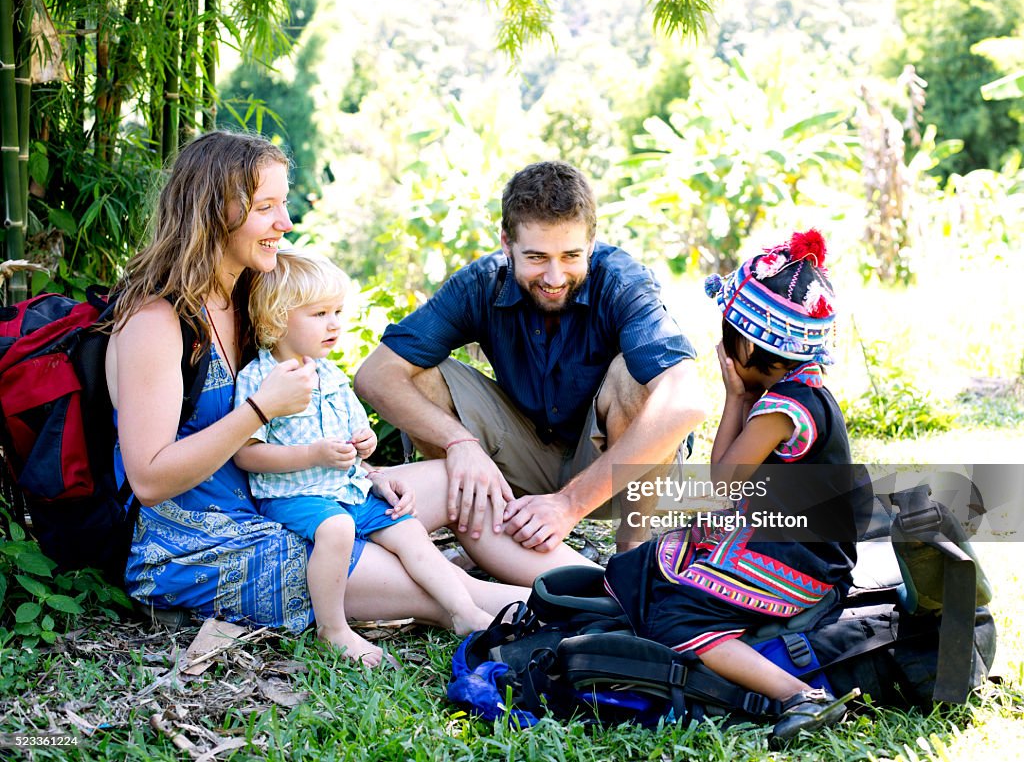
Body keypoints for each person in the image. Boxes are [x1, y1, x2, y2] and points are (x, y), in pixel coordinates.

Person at [105, 131, 588, 643]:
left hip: (288, 491)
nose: (284, 223)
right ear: (212, 212)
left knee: (459, 481)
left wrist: (365, 470)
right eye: (265, 206)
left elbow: (297, 428)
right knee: (450, 589)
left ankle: (607, 582)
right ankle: (602, 604)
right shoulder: (156, 321)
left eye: (283, 203)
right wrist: (258, 410)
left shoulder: (247, 299)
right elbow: (149, 479)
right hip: (208, 546)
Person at [354, 161, 706, 555]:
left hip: (621, 475)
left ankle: (632, 555)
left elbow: (686, 404)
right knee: (417, 373)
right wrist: (459, 442)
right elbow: (375, 375)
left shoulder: (622, 282)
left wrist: (569, 506)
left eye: (571, 255)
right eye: (537, 257)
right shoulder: (481, 283)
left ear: (592, 242)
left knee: (639, 376)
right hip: (522, 458)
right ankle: (500, 536)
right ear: (507, 243)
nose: (555, 277)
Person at [603, 229, 865, 742]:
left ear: (745, 341)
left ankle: (799, 695)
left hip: (804, 561)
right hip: (786, 536)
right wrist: (742, 398)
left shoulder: (781, 410)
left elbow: (719, 482)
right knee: (649, 564)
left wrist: (733, 398)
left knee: (674, 619)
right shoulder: (797, 389)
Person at [233, 250, 494, 665]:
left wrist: (367, 454)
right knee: (336, 529)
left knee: (408, 532)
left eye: (337, 310)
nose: (334, 322)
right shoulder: (261, 378)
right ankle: (332, 629)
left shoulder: (331, 375)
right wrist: (312, 454)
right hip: (296, 495)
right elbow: (247, 456)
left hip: (350, 488)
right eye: (319, 313)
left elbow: (355, 447)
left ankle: (464, 611)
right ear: (277, 319)